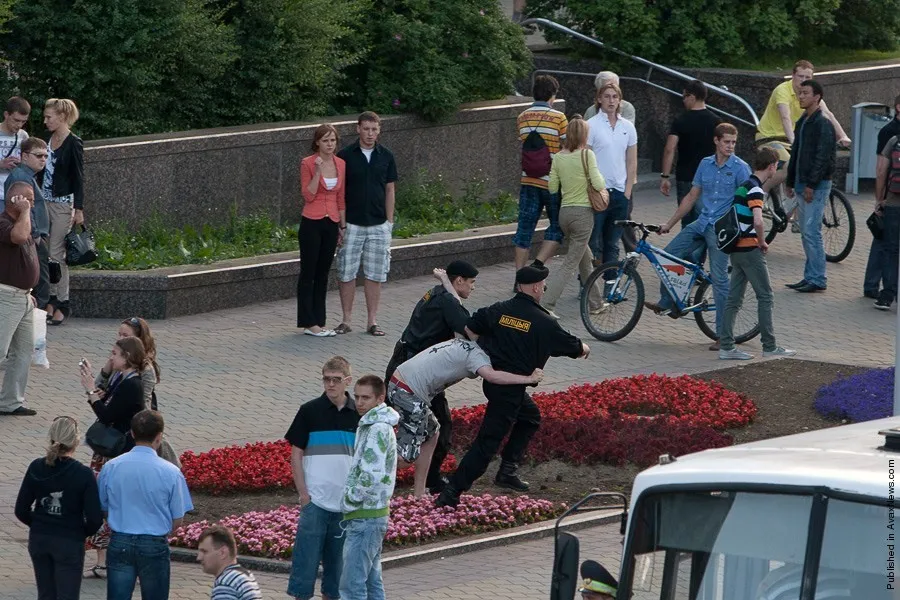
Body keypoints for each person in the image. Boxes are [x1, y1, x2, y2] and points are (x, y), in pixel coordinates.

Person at [436, 266, 590, 508]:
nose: (544, 289)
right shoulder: (544, 321)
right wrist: (584, 348)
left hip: (495, 383)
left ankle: (507, 470)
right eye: (544, 285)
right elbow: (572, 347)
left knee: (530, 417)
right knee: (487, 443)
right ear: (537, 287)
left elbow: (470, 328)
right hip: (508, 391)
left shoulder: (499, 310)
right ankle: (452, 491)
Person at [389, 338, 544, 496]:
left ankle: (419, 494)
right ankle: (367, 474)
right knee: (405, 458)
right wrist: (528, 379)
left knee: (432, 432)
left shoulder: (465, 341)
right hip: (408, 392)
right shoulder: (477, 356)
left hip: (401, 381)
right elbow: (492, 376)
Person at [645, 123, 751, 351]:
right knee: (669, 255)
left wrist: (744, 230)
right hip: (702, 222)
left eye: (733, 142)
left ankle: (724, 335)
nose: (730, 147)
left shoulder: (740, 168)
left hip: (722, 229)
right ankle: (670, 302)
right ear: (716, 141)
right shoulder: (705, 164)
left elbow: (749, 202)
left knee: (720, 278)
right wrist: (670, 224)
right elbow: (692, 196)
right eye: (726, 142)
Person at [384, 261, 478, 494]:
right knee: (440, 425)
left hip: (407, 367)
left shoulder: (437, 293)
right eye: (472, 282)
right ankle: (428, 480)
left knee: (427, 426)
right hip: (414, 376)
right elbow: (467, 331)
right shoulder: (447, 300)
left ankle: (422, 482)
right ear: (459, 281)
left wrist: (445, 283)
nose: (474, 287)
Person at [285, 356, 360, 600]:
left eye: (336, 380)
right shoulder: (309, 411)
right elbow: (296, 454)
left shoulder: (359, 415)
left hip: (345, 505)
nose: (330, 385)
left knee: (336, 576)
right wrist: (304, 495)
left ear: (347, 381)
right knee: (304, 570)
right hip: (315, 503)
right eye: (326, 379)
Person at [97, 409, 193, 600]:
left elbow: (103, 507)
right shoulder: (171, 472)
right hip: (154, 543)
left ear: (132, 434)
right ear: (159, 437)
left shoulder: (111, 467)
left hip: (120, 540)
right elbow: (177, 520)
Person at [719, 147, 797, 360]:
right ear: (771, 167)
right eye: (776, 167)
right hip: (750, 250)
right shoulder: (755, 190)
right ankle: (769, 346)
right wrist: (762, 241)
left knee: (733, 299)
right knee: (765, 296)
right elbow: (758, 220)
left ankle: (726, 346)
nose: (776, 171)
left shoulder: (743, 187)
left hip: (735, 250)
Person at [80, 336, 148, 579]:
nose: (111, 357)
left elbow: (107, 416)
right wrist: (95, 391)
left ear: (128, 357)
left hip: (117, 452)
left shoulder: (133, 384)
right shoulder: (121, 378)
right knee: (101, 501)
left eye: (115, 353)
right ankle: (103, 559)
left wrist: (91, 390)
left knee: (110, 502)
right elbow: (106, 409)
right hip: (108, 450)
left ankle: (113, 559)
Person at [15, 416, 103, 600]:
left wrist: (39, 522)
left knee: (45, 593)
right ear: (76, 441)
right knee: (67, 594)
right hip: (69, 540)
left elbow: (21, 510)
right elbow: (95, 518)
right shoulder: (82, 474)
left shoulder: (37, 466)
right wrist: (80, 531)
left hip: (40, 538)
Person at [334, 112, 398, 337]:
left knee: (375, 274)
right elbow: (339, 192)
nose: (370, 134)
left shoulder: (386, 156)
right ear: (358, 129)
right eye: (366, 129)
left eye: (374, 129)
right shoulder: (345, 156)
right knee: (346, 272)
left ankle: (372, 321)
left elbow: (390, 189)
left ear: (379, 130)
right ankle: (346, 320)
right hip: (351, 223)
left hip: (378, 223)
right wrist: (340, 224)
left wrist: (389, 221)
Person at [338, 375, 398, 600]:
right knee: (372, 583)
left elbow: (371, 473)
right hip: (372, 515)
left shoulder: (376, 429)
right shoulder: (374, 425)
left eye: (366, 397)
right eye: (357, 397)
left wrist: (350, 499)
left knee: (352, 587)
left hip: (365, 516)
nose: (360, 402)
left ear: (380, 398)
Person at [542, 116, 607, 318]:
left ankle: (596, 303)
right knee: (571, 262)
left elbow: (552, 187)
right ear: (584, 135)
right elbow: (597, 183)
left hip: (565, 214)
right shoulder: (587, 155)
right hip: (582, 214)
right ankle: (546, 304)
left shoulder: (559, 157)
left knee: (584, 259)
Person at [756, 60, 850, 196]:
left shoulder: (810, 93)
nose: (803, 80)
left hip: (793, 139)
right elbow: (785, 118)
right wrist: (794, 142)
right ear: (793, 75)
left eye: (808, 77)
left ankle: (794, 215)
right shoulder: (782, 91)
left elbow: (828, 114)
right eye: (800, 76)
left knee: (806, 168)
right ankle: (762, 192)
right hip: (770, 138)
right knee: (790, 166)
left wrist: (842, 136)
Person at [785, 79, 836, 294]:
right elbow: (796, 152)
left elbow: (822, 157)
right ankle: (810, 276)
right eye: (800, 93)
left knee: (811, 231)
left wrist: (811, 185)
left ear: (817, 97)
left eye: (805, 93)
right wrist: (790, 180)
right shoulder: (804, 121)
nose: (801, 96)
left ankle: (818, 278)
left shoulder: (822, 123)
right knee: (806, 231)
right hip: (802, 182)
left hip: (815, 185)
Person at [513, 75, 567, 276]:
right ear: (553, 95)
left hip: (528, 180)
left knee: (524, 230)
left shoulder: (522, 117)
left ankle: (519, 276)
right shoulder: (559, 118)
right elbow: (567, 147)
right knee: (556, 226)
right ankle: (536, 265)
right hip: (552, 182)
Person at [298, 124, 346, 337]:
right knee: (309, 272)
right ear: (317, 142)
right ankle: (308, 321)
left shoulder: (341, 164)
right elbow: (308, 195)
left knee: (323, 272)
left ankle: (319, 320)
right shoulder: (307, 163)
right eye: (325, 140)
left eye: (332, 140)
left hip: (331, 221)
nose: (329, 145)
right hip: (311, 221)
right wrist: (318, 171)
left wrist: (342, 226)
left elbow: (340, 197)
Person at [586, 82, 637, 269]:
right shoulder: (591, 125)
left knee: (613, 242)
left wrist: (628, 191)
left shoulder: (628, 127)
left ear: (620, 101)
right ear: (599, 99)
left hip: (620, 192)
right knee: (594, 241)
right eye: (607, 96)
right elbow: (586, 159)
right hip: (599, 191)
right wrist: (591, 188)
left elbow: (632, 161)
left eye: (615, 97)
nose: (611, 100)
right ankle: (590, 285)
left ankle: (610, 286)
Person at [43, 98, 84, 326]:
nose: (45, 120)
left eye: (49, 117)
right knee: (46, 252)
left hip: (62, 204)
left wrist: (79, 208)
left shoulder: (73, 143)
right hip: (43, 202)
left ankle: (62, 302)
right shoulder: (47, 139)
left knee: (58, 255)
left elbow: (79, 177)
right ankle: (49, 299)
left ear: (62, 117)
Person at [660, 80, 722, 229]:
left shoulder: (680, 120)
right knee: (705, 219)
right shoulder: (716, 121)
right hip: (709, 176)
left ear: (692, 97)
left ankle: (687, 251)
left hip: (686, 176)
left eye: (684, 97)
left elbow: (670, 148)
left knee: (687, 220)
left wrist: (665, 176)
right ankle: (700, 252)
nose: (683, 100)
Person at [0, 182, 38, 416]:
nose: (33, 204)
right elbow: (20, 237)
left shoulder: (23, 221)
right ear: (16, 200)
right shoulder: (3, 222)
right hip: (5, 297)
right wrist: (24, 211)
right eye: (30, 199)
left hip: (24, 298)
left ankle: (10, 402)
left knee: (23, 352)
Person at [4, 137, 49, 310]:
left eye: (45, 156)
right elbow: (24, 209)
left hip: (32, 233)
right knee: (39, 275)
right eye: (38, 156)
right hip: (31, 234)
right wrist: (36, 235)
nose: (43, 160)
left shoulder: (27, 175)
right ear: (24, 157)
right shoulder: (20, 177)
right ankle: (39, 310)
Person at [865, 93, 900, 299]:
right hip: (891, 197)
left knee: (885, 244)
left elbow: (881, 170)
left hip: (891, 198)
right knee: (885, 243)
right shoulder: (889, 132)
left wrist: (879, 200)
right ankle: (875, 286)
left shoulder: (889, 132)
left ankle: (878, 288)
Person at [872, 126, 900, 310]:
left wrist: (880, 199)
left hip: (893, 204)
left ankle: (887, 295)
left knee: (891, 250)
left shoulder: (895, 141)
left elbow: (882, 171)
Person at [197, 525, 263, 600]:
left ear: (223, 553)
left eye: (204, 551)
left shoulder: (226, 584)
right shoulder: (245, 575)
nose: (198, 557)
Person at [0, 96, 31, 205]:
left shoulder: (23, 136)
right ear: (6, 115)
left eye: (23, 121)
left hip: (17, 196)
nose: (19, 125)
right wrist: (1, 164)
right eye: (16, 120)